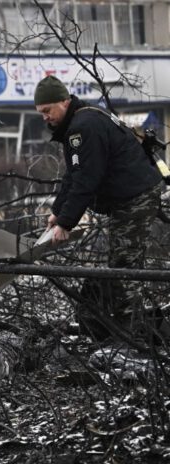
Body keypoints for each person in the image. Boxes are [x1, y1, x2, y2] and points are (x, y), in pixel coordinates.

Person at [33, 75, 163, 338]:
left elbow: (86, 180)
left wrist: (66, 224)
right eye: (40, 113)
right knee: (122, 264)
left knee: (124, 267)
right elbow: (74, 174)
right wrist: (58, 212)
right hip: (132, 195)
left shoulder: (82, 128)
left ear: (64, 101)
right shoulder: (83, 119)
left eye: (48, 110)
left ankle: (135, 335)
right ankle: (124, 329)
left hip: (135, 198)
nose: (45, 117)